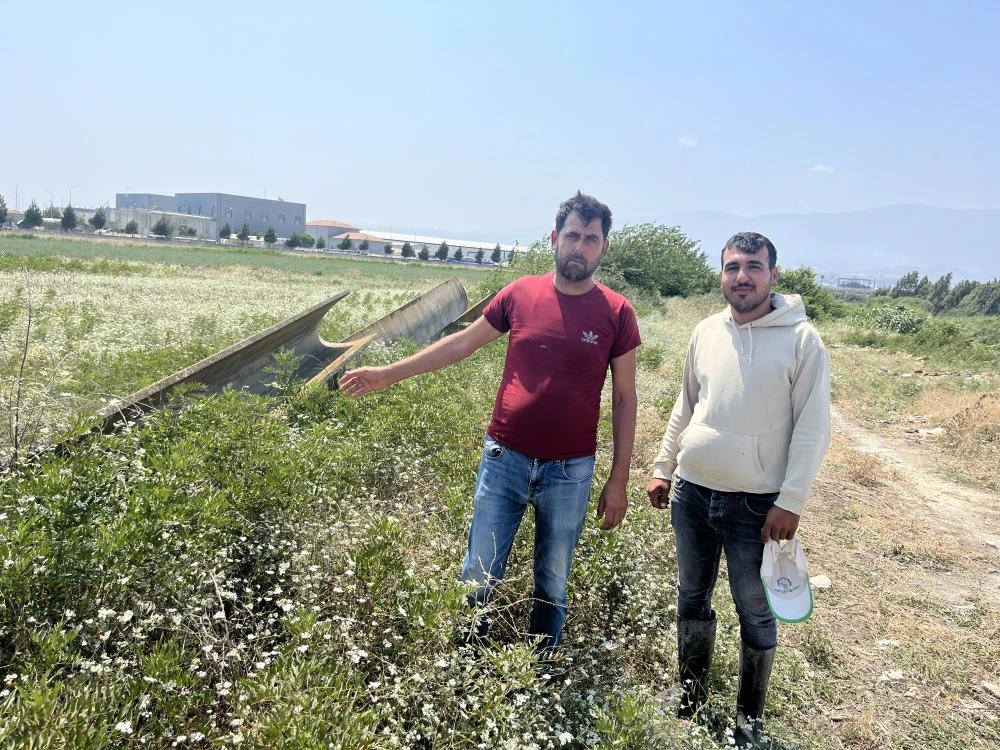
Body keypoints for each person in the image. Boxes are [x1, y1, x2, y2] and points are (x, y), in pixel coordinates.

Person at [341, 192, 641, 651]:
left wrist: (618, 479)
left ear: (605, 248)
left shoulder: (617, 313)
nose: (579, 247)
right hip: (505, 460)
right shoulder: (519, 294)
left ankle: (540, 670)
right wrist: (387, 374)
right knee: (478, 574)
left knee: (553, 580)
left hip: (570, 471)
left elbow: (624, 398)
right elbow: (460, 344)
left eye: (591, 239)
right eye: (572, 236)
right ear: (554, 238)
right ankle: (465, 667)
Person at [646, 232, 830, 746]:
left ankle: (749, 718)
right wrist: (664, 467)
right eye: (732, 267)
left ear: (774, 274)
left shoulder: (801, 340)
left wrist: (790, 500)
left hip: (757, 505)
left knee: (754, 606)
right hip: (693, 492)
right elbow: (686, 405)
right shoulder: (706, 331)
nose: (742, 276)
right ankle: (690, 693)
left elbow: (814, 427)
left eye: (753, 266)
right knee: (691, 594)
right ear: (721, 274)